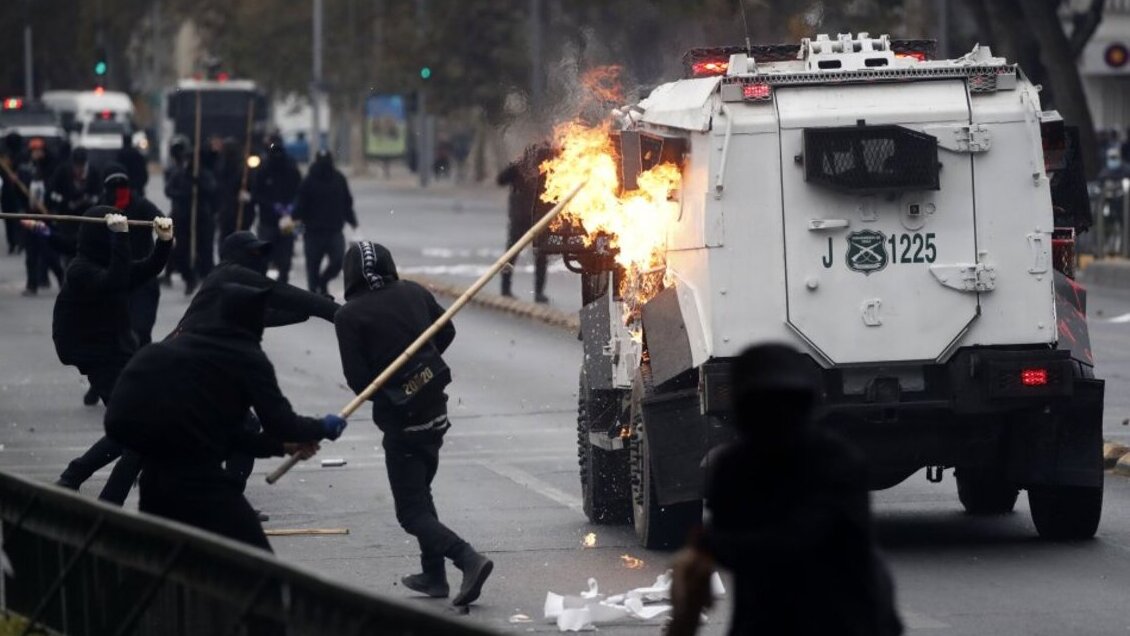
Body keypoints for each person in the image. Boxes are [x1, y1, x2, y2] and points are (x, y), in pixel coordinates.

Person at [669, 343, 902, 636]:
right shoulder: (733, 468)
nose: (774, 420)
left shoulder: (834, 462)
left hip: (844, 618)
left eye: (782, 407)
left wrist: (711, 545)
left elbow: (805, 540)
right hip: (764, 617)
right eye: (762, 409)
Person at [105, 283, 346, 550]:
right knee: (257, 563)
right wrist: (322, 426)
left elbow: (222, 434)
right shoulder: (244, 357)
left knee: (168, 566)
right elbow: (281, 423)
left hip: (155, 484)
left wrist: (280, 447)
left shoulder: (176, 346)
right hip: (202, 482)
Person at [334, 241, 492, 606]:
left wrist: (398, 383)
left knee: (411, 513)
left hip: (402, 423)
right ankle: (433, 575)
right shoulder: (413, 292)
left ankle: (468, 558)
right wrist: (421, 368)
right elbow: (446, 331)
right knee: (421, 492)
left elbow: (360, 381)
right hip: (436, 410)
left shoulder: (350, 315)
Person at [173, 230, 342, 501]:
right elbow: (281, 293)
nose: (260, 259)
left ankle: (228, 501)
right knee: (140, 435)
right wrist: (337, 313)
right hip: (183, 364)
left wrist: (308, 311)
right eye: (254, 253)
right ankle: (228, 502)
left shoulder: (231, 289)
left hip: (189, 363)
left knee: (140, 435)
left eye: (262, 253)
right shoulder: (231, 274)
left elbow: (262, 316)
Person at [53, 207, 174, 503]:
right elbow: (114, 281)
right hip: (98, 357)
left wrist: (164, 242)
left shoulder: (107, 264)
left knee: (135, 427)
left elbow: (145, 270)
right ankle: (84, 483)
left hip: (118, 352)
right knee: (134, 425)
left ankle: (79, 481)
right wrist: (120, 238)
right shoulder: (80, 269)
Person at [496, 143, 555, 303]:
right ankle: (506, 288)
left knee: (539, 255)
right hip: (522, 218)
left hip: (537, 218)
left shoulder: (548, 168)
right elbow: (501, 179)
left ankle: (537, 292)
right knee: (513, 254)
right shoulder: (520, 167)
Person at [294, 149, 357, 295]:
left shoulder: (339, 179)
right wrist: (295, 219)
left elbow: (346, 202)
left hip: (334, 230)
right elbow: (300, 204)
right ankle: (313, 292)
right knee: (313, 265)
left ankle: (322, 282)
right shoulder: (309, 181)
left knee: (337, 261)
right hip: (313, 231)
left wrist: (353, 221)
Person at [165, 136, 217, 294]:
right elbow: (169, 190)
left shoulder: (204, 174)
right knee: (181, 250)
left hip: (201, 217)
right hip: (182, 217)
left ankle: (206, 278)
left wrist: (198, 184)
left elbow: (211, 190)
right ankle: (188, 276)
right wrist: (183, 194)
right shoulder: (178, 174)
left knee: (204, 249)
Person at [252, 142, 301, 285]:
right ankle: (263, 281)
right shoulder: (263, 171)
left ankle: (283, 280)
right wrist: (271, 206)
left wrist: (292, 207)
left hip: (287, 220)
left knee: (285, 254)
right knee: (265, 253)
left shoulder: (291, 171)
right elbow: (256, 194)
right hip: (267, 220)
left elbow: (300, 192)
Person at [46, 146, 100, 263]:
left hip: (87, 217)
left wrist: (91, 200)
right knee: (68, 250)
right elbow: (52, 191)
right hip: (67, 218)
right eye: (77, 165)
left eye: (81, 165)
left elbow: (99, 193)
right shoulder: (63, 171)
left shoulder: (93, 172)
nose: (79, 169)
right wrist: (63, 202)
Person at [215, 137, 254, 245]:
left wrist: (247, 194)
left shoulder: (243, 168)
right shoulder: (221, 166)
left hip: (240, 210)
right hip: (227, 209)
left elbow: (251, 186)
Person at [1, 133, 25, 255]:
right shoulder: (4, 157)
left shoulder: (22, 156)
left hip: (19, 192)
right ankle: (12, 243)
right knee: (8, 219)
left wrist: (17, 175)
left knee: (18, 219)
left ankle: (19, 242)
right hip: (7, 191)